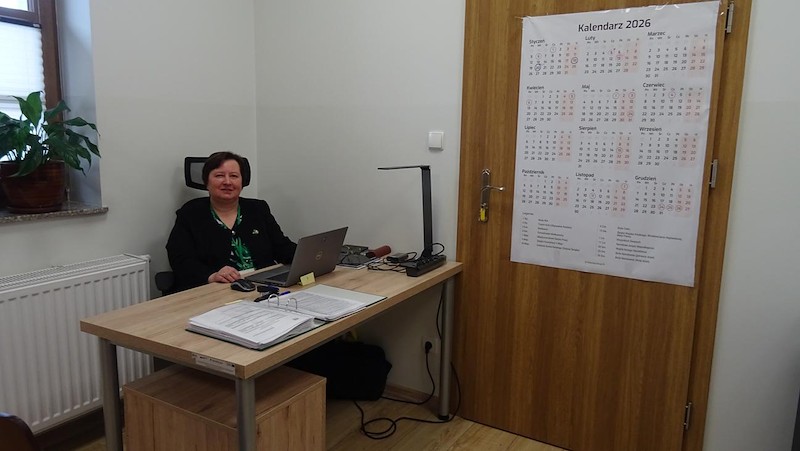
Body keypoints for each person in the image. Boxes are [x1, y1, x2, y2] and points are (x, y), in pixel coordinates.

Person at [166, 151, 296, 292]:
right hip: (215, 290)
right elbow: (180, 258)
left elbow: (282, 247)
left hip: (263, 287)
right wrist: (212, 275)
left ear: (242, 181)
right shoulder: (191, 213)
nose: (227, 182)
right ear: (206, 181)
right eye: (219, 176)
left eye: (234, 176)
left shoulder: (258, 208)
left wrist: (306, 258)